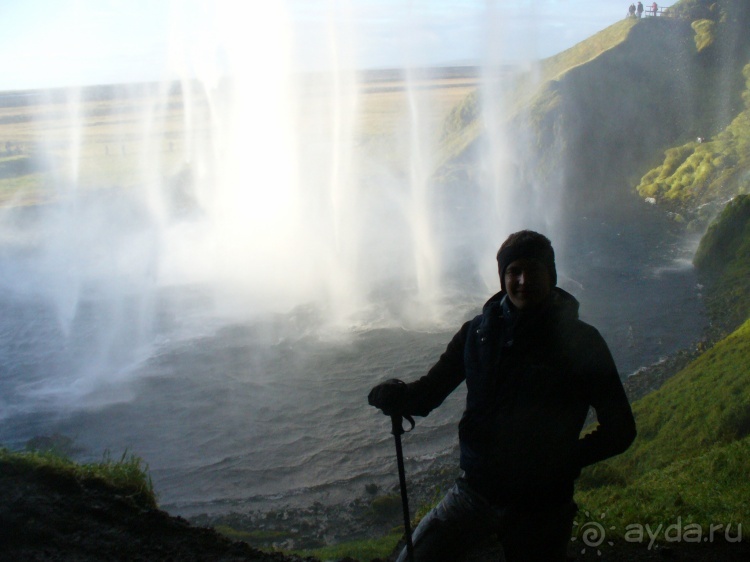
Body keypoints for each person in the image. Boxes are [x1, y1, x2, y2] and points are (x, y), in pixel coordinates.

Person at [368, 230, 637, 562]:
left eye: (534, 270)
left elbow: (621, 429)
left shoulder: (582, 342)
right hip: (476, 491)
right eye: (514, 271)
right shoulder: (477, 334)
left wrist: (563, 461)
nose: (524, 280)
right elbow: (428, 394)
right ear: (502, 277)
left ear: (551, 275)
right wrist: (398, 395)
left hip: (543, 503)